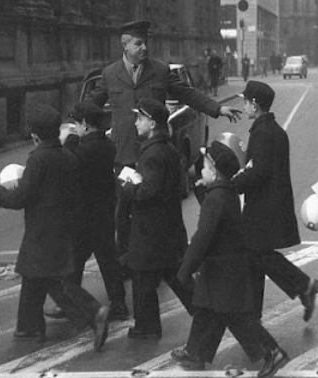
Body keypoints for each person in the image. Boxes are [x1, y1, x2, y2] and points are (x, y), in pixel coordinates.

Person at [89, 21, 241, 266]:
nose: (144, 47)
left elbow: (188, 94)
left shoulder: (160, 71)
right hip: (125, 153)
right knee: (123, 212)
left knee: (163, 208)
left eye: (145, 42)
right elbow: (91, 103)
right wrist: (70, 127)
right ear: (125, 45)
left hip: (154, 154)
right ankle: (125, 259)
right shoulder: (110, 74)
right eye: (138, 43)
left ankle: (175, 256)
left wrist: (217, 108)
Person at [0, 104, 110, 350]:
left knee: (46, 278)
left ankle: (92, 312)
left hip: (41, 229)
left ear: (34, 135)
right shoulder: (67, 156)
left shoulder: (38, 159)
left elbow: (23, 196)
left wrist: (0, 194)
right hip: (63, 226)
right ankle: (29, 329)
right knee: (36, 277)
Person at [172, 140, 289, 377]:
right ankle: (195, 353)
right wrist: (201, 189)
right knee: (206, 310)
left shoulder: (216, 199)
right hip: (226, 269)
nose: (200, 171)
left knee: (237, 318)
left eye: (204, 167)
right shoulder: (225, 193)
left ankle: (273, 351)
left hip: (222, 271)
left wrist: (185, 270)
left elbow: (202, 238)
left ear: (213, 172)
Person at [232, 81, 318, 322]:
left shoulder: (263, 133)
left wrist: (232, 184)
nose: (243, 105)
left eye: (245, 101)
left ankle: (303, 286)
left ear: (254, 104)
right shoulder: (274, 130)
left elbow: (258, 172)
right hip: (271, 205)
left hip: (263, 208)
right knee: (255, 257)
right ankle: (298, 289)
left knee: (257, 255)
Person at [119, 98, 193, 339]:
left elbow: (148, 191)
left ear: (151, 123)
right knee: (172, 275)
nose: (136, 122)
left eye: (139, 118)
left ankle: (147, 327)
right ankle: (203, 312)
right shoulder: (168, 148)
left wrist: (128, 187)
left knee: (143, 276)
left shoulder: (152, 153)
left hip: (150, 229)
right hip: (167, 227)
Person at [59, 101, 128, 321]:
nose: (75, 128)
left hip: (84, 215)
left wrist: (69, 141)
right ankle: (118, 304)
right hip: (104, 212)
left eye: (77, 124)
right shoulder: (107, 145)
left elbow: (68, 164)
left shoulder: (82, 150)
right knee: (108, 261)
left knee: (75, 262)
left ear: (86, 125)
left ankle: (73, 303)